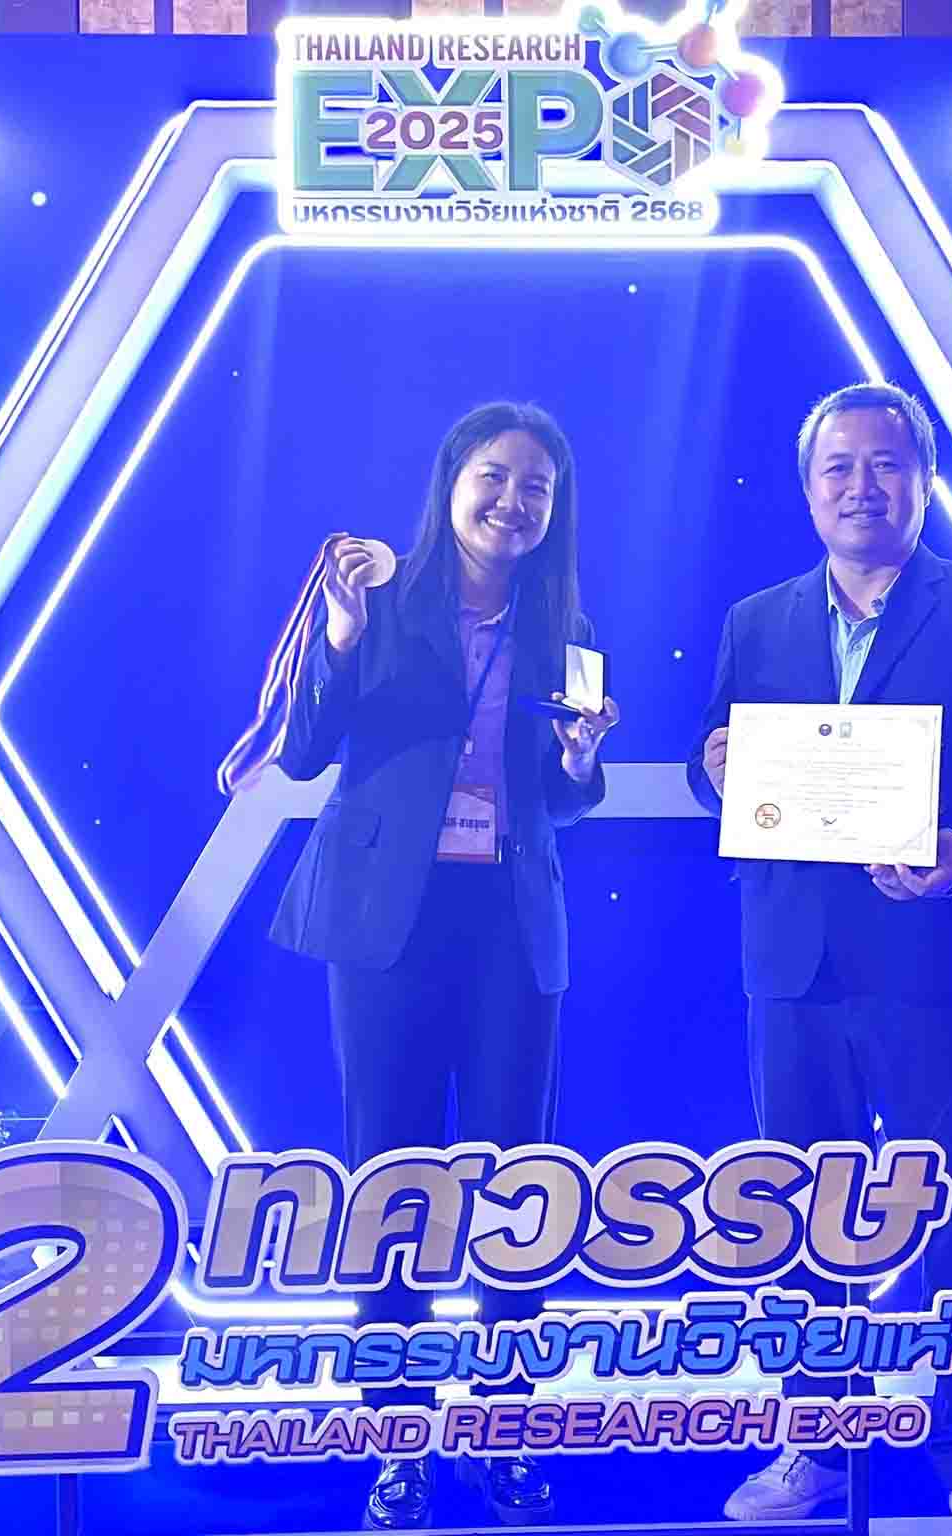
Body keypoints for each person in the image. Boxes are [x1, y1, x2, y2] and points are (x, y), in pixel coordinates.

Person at [685, 382, 952, 1521]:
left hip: (932, 962)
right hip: (793, 968)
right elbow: (721, 763)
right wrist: (719, 770)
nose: (862, 487)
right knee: (803, 1213)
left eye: (886, 466)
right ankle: (816, 1445)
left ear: (924, 483)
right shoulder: (756, 621)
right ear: (809, 489)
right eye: (839, 468)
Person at [271, 401, 621, 1530]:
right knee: (392, 1183)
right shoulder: (376, 598)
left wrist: (580, 760)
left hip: (510, 925)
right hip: (390, 924)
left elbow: (560, 801)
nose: (512, 502)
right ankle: (398, 1436)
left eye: (536, 488)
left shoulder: (565, 625)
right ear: (452, 482)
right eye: (494, 477)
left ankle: (506, 1427)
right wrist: (336, 640)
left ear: (554, 510)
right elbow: (303, 751)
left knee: (521, 1189)